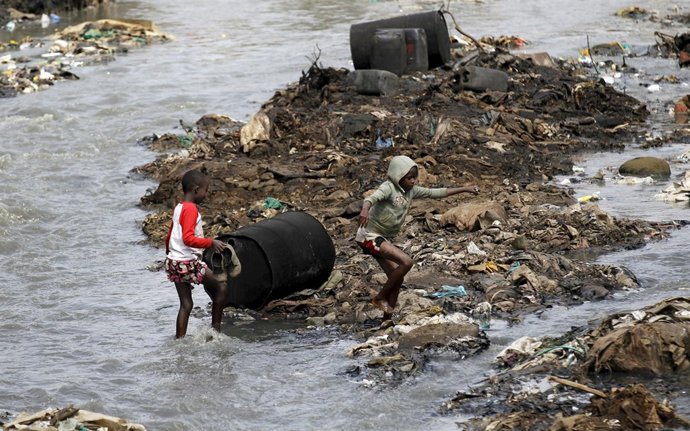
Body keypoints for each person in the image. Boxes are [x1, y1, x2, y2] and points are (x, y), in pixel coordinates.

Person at [356, 155, 480, 320]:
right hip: (368, 236)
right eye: (409, 178)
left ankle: (387, 319)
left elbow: (435, 193)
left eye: (415, 178)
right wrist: (365, 209)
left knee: (397, 277)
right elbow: (371, 198)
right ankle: (380, 297)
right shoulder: (388, 188)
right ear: (397, 176)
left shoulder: (411, 191)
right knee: (406, 262)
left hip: (381, 238)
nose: (413, 181)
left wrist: (465, 189)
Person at [164, 169, 228, 338]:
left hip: (175, 262)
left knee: (186, 304)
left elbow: (170, 235)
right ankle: (215, 333)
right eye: (206, 190)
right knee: (221, 286)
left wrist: (169, 254)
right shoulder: (191, 209)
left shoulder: (179, 207)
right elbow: (188, 239)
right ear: (196, 190)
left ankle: (179, 341)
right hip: (187, 263)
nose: (206, 194)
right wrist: (211, 243)